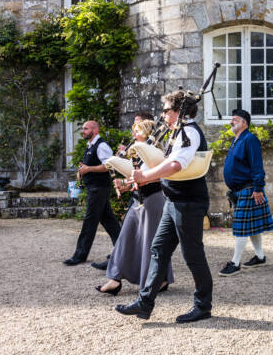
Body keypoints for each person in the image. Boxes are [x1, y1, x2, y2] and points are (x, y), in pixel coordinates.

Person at [115, 90, 213, 323]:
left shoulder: (189, 132)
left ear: (179, 112)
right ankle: (145, 303)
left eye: (167, 110)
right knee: (158, 249)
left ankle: (203, 306)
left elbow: (176, 165)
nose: (163, 114)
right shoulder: (177, 132)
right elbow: (164, 164)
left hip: (188, 202)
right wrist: (137, 178)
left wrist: (145, 176)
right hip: (174, 200)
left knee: (193, 255)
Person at [96, 118, 174, 295]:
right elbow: (138, 178)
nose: (133, 134)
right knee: (124, 237)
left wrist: (134, 179)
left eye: (137, 131)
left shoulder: (156, 152)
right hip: (138, 199)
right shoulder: (136, 154)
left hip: (153, 200)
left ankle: (160, 280)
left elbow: (159, 176)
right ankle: (114, 279)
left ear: (147, 133)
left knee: (151, 242)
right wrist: (124, 184)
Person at [91, 111, 155, 271]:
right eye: (133, 125)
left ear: (147, 128)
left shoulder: (152, 147)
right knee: (129, 233)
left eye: (138, 126)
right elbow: (135, 171)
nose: (133, 130)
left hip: (149, 195)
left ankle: (120, 266)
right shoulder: (138, 146)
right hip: (137, 193)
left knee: (146, 238)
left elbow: (145, 173)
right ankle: (116, 266)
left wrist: (127, 181)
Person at [219, 109, 273, 277]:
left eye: (234, 119)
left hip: (249, 189)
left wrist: (258, 188)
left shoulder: (250, 139)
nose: (231, 122)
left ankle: (235, 263)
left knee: (241, 227)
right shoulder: (237, 140)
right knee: (252, 226)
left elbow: (257, 165)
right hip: (240, 190)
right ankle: (260, 256)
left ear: (244, 122)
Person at [63, 120, 121, 266]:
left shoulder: (101, 145)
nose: (83, 131)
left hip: (99, 188)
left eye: (85, 128)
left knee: (90, 221)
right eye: (82, 128)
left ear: (95, 130)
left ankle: (79, 255)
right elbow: (89, 165)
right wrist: (82, 172)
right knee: (109, 221)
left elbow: (108, 165)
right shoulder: (91, 145)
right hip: (94, 188)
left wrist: (88, 169)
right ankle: (123, 250)